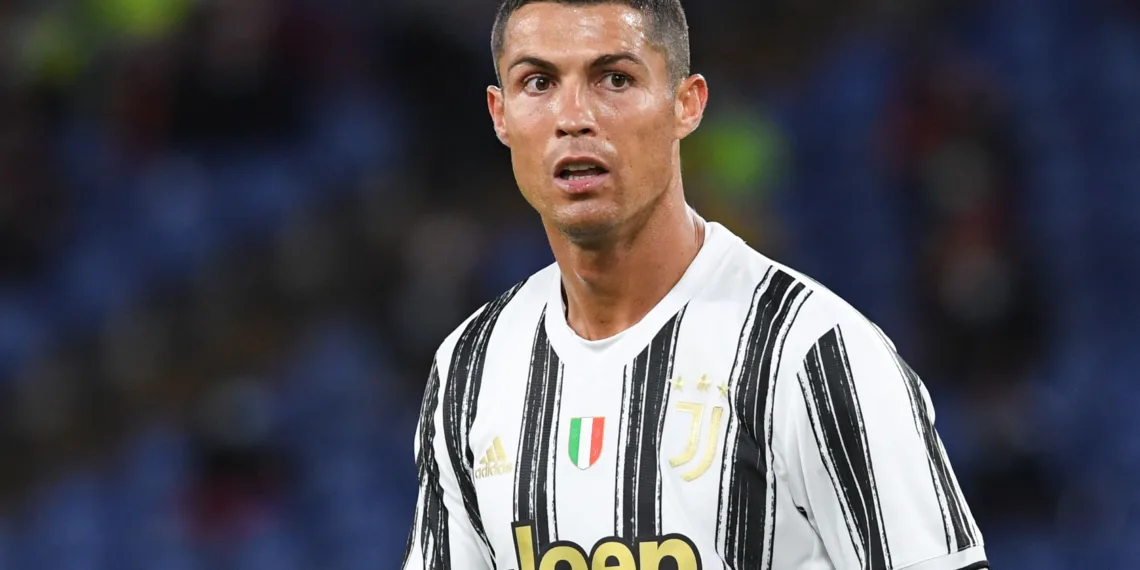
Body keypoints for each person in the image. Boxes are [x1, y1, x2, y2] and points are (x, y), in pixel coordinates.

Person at [402, 1, 987, 569]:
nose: (573, 115)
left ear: (687, 104)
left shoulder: (815, 352)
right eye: (538, 83)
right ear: (499, 115)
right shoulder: (469, 370)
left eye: (614, 78)